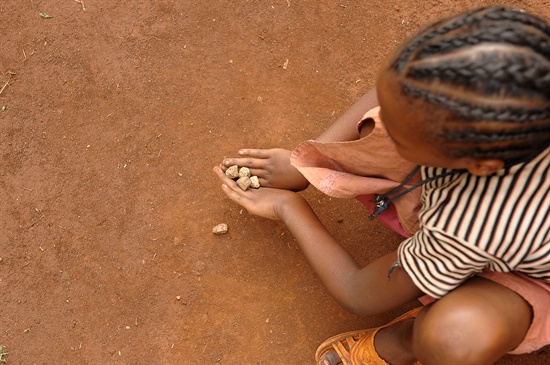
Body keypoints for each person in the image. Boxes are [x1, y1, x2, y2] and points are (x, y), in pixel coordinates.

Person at [213, 6, 550, 365]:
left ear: (480, 165)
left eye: (402, 130)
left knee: (452, 339)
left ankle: (406, 341)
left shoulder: (468, 225)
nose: (383, 117)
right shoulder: (523, 92)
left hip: (529, 271)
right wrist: (307, 164)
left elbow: (358, 292)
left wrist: (288, 206)